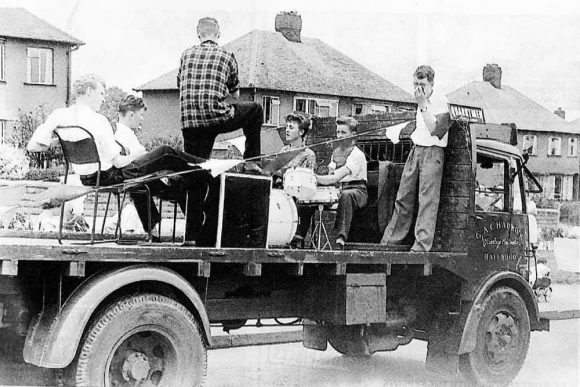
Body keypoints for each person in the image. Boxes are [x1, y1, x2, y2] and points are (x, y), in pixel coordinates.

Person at [27, 74, 207, 238]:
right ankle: (207, 167)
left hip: (87, 178)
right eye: (101, 94)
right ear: (89, 92)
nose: (103, 99)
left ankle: (154, 233)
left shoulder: (60, 115)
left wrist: (61, 139)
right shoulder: (98, 121)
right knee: (165, 152)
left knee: (143, 182)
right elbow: (120, 163)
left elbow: (33, 146)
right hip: (111, 176)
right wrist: (135, 154)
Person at [178, 17, 262, 172]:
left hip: (190, 123)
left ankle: (191, 194)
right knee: (255, 110)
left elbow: (180, 85)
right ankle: (251, 160)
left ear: (198, 34)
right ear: (219, 34)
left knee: (196, 168)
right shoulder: (227, 56)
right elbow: (235, 94)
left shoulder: (186, 55)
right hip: (215, 117)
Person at [381, 65, 449, 252]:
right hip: (417, 149)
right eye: (415, 84)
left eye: (422, 84)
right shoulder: (421, 101)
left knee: (427, 199)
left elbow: (436, 130)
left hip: (433, 151)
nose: (418, 88)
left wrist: (423, 105)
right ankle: (390, 241)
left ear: (432, 84)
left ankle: (421, 244)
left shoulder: (442, 102)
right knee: (403, 196)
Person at [316, 117, 368, 249]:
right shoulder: (336, 153)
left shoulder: (357, 154)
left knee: (346, 195)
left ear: (353, 135)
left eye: (343, 132)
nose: (339, 136)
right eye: (338, 132)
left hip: (358, 191)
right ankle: (298, 235)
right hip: (340, 189)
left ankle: (341, 237)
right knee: (313, 196)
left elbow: (336, 177)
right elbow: (330, 175)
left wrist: (313, 177)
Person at [268, 113, 316, 244]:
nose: (287, 130)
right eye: (286, 127)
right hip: (279, 189)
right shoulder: (283, 150)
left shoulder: (308, 154)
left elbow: (306, 179)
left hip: (296, 193)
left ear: (301, 132)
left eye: (291, 127)